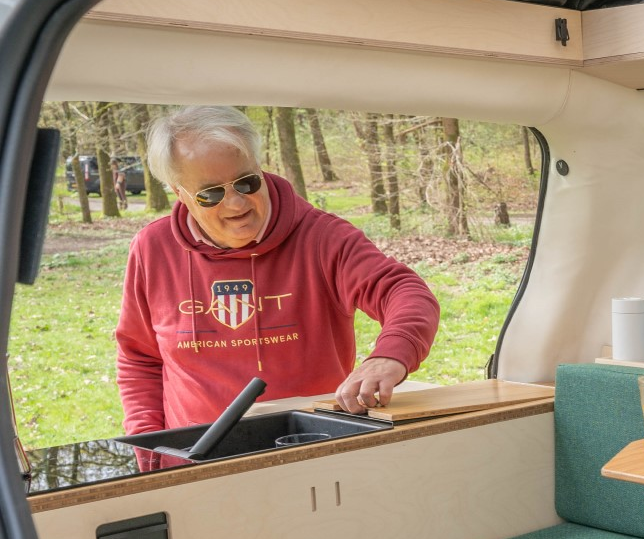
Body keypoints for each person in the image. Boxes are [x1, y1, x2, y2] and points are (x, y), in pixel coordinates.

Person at [115, 106, 439, 433]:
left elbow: (407, 294)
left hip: (309, 448)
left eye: (246, 183)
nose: (236, 205)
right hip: (194, 458)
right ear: (180, 193)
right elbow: (139, 361)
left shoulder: (324, 238)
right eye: (211, 194)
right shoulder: (152, 249)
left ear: (260, 167)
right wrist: (151, 451)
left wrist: (390, 357)